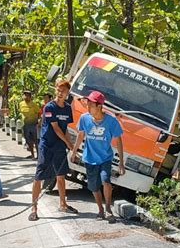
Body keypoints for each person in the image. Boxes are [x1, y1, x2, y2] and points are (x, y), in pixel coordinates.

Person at [71, 91, 125, 223]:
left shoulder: (111, 121)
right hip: (89, 159)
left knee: (105, 180)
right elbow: (81, 135)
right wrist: (73, 151)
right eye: (87, 103)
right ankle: (100, 209)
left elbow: (118, 141)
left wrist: (121, 163)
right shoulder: (84, 118)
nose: (88, 106)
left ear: (99, 106)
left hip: (105, 158)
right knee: (93, 187)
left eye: (91, 104)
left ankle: (108, 208)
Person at [28, 80, 77, 221]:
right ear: (55, 90)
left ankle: (63, 204)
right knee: (38, 177)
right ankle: (34, 208)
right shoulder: (49, 107)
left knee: (61, 176)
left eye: (64, 91)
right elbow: (55, 128)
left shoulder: (67, 108)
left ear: (68, 93)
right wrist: (68, 142)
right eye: (58, 90)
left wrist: (71, 145)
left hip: (60, 146)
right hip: (47, 146)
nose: (61, 93)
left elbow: (64, 128)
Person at [19, 91, 40, 159]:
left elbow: (39, 113)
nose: (26, 97)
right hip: (25, 125)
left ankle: (38, 155)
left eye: (28, 95)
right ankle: (32, 155)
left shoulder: (33, 104)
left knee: (36, 140)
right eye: (25, 95)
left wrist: (38, 122)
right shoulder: (21, 104)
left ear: (30, 97)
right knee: (28, 140)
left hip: (33, 124)